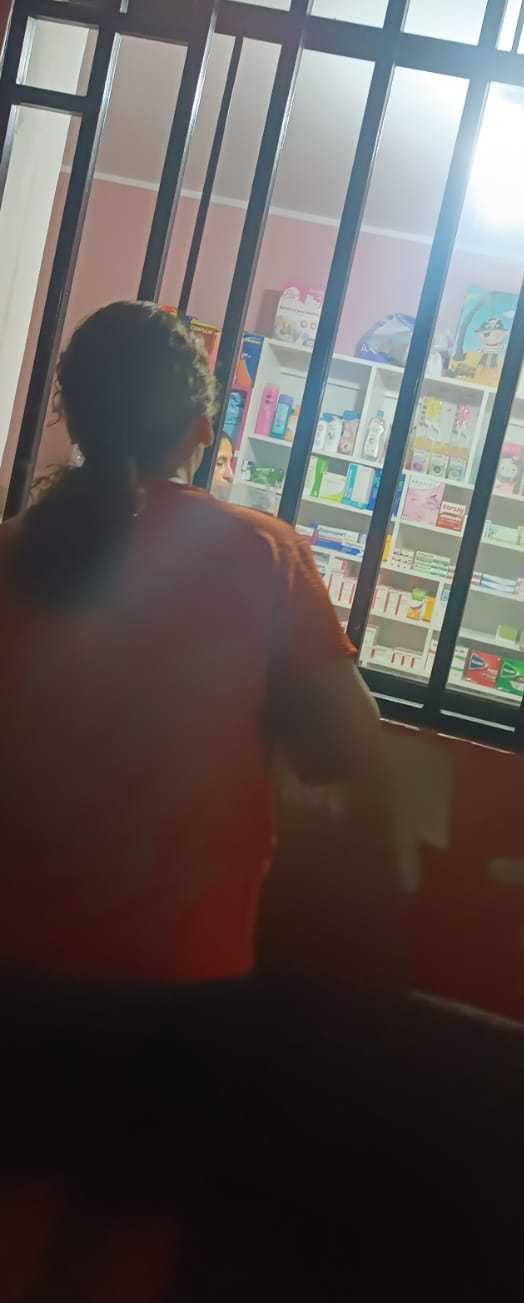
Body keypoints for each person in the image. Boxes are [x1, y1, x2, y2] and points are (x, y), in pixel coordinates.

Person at [0, 301, 404, 983]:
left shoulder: (10, 550)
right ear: (201, 429)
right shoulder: (264, 555)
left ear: (75, 415)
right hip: (177, 959)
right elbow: (345, 751)